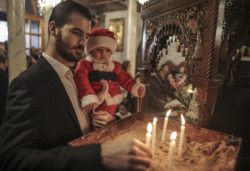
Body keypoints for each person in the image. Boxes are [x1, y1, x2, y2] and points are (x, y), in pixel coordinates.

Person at [0, 1, 151, 171]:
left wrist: (110, 121)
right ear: (53, 29)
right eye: (76, 33)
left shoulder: (78, 74)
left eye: (86, 36)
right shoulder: (29, 83)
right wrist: (99, 155)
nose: (83, 42)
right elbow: (12, 160)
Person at [74, 28, 145, 128]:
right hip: (94, 104)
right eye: (98, 50)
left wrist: (136, 87)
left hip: (112, 103)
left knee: (108, 128)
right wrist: (89, 96)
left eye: (107, 50)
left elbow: (125, 79)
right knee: (95, 127)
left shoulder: (115, 66)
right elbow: (81, 80)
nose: (103, 54)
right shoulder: (85, 64)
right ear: (90, 50)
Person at [0, 54, 8, 124]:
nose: (7, 65)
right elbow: (6, 92)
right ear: (1, 63)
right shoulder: (2, 76)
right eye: (6, 62)